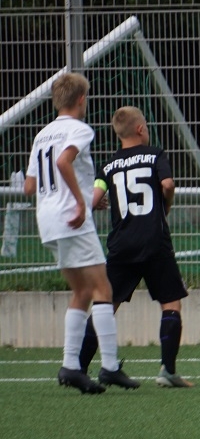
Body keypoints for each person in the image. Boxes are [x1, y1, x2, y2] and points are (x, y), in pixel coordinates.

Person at [23, 73, 138, 393]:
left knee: (82, 291)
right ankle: (110, 366)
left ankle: (70, 366)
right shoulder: (79, 128)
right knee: (103, 288)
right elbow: (64, 162)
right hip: (71, 219)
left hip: (48, 221)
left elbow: (29, 186)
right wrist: (79, 202)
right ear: (81, 99)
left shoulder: (42, 134)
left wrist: (82, 196)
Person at [79, 106, 194, 387]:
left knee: (105, 306)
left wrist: (99, 202)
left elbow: (93, 199)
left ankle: (78, 368)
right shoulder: (155, 155)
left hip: (122, 245)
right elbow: (168, 184)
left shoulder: (108, 166)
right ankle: (167, 371)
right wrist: (165, 207)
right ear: (141, 129)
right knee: (170, 302)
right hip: (154, 241)